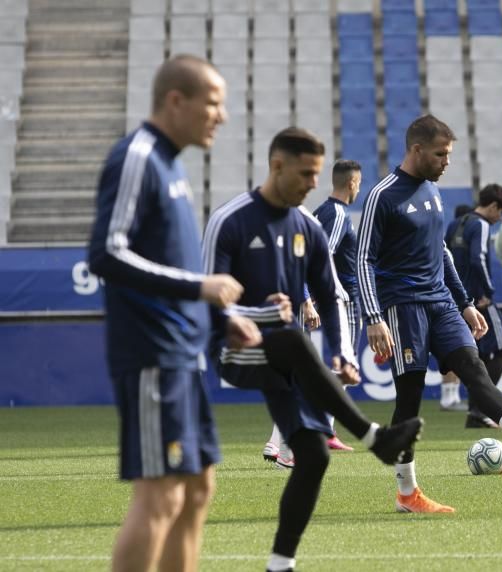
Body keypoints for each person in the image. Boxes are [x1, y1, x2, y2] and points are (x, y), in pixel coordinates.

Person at [202, 127, 423, 572]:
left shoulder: (308, 227)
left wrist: (342, 352)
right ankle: (373, 438)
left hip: (284, 356)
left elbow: (329, 295)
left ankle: (280, 564)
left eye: (316, 175)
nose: (311, 184)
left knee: (314, 457)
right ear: (277, 165)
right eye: (304, 174)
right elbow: (209, 302)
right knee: (289, 337)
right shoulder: (231, 220)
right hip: (233, 351)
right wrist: (260, 315)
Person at [87, 54, 262, 572]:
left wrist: (216, 319)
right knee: (161, 497)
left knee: (197, 489)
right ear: (175, 101)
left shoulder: (171, 167)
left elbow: (168, 264)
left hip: (184, 355)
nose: (222, 116)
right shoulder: (137, 157)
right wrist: (203, 286)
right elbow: (106, 253)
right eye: (213, 103)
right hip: (152, 356)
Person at [358, 114, 502, 513]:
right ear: (417, 150)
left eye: (450, 154)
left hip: (441, 302)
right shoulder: (382, 196)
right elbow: (363, 259)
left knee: (474, 367)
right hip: (403, 306)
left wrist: (464, 303)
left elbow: (440, 252)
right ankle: (407, 494)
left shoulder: (433, 192)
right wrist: (373, 317)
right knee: (409, 399)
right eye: (441, 154)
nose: (447, 162)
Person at [262, 159, 365, 460]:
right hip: (339, 301)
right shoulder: (337, 214)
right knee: (339, 368)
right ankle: (318, 431)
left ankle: (281, 439)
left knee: (314, 370)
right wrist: (310, 299)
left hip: (323, 299)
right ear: (352, 183)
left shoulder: (323, 212)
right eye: (359, 183)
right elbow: (319, 259)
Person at [446, 185, 502, 428]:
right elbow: (478, 258)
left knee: (480, 355)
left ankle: (476, 414)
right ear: (493, 206)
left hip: (458, 301)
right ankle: (479, 411)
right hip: (479, 301)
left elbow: (444, 258)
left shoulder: (455, 223)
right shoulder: (482, 225)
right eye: (501, 211)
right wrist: (488, 291)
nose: (500, 218)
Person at [438, 203, 475, 414]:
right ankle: (449, 397)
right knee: (457, 348)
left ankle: (450, 396)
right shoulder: (452, 250)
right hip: (454, 300)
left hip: (447, 298)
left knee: (453, 351)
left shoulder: (447, 238)